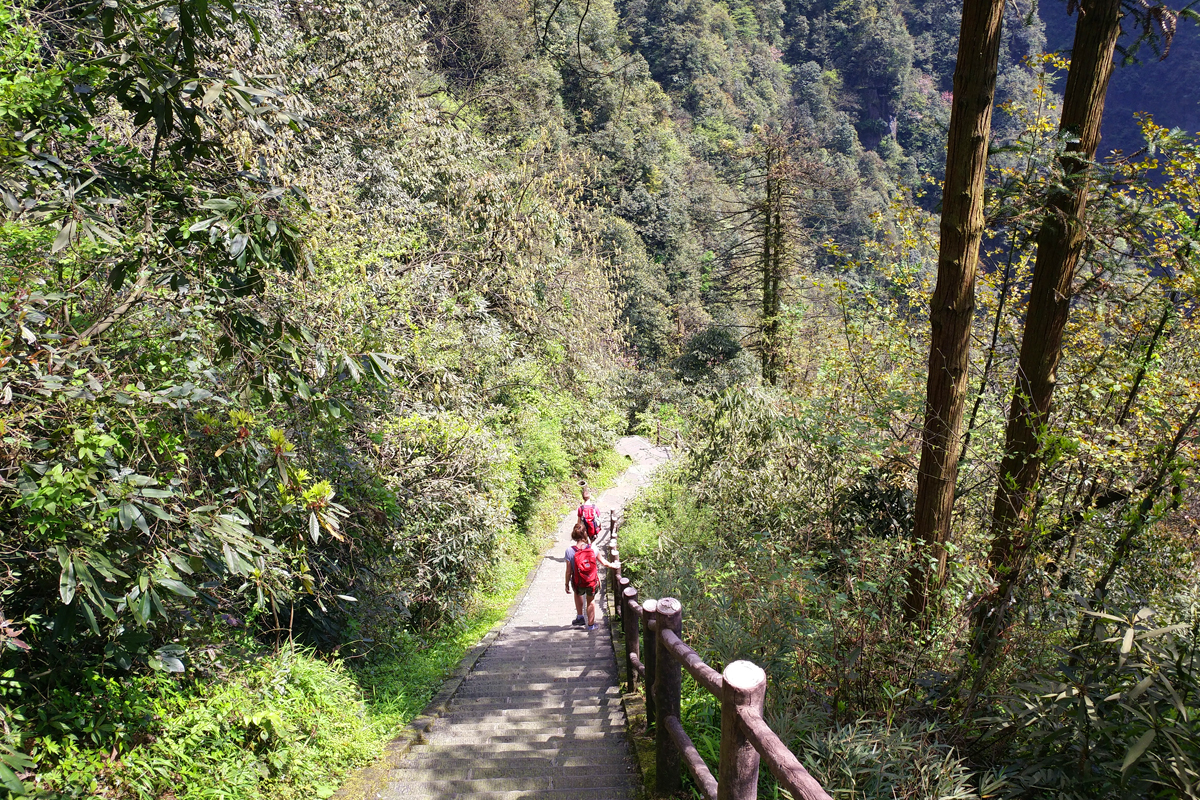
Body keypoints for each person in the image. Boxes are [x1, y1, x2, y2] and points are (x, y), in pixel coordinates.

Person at [565, 521, 616, 630]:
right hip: (591, 582)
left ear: (574, 535)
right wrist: (613, 565)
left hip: (577, 582)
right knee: (591, 600)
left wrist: (566, 584)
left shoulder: (569, 551)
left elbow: (568, 571)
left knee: (577, 594)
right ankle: (591, 625)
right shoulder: (593, 548)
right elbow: (603, 562)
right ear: (585, 534)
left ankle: (580, 617)